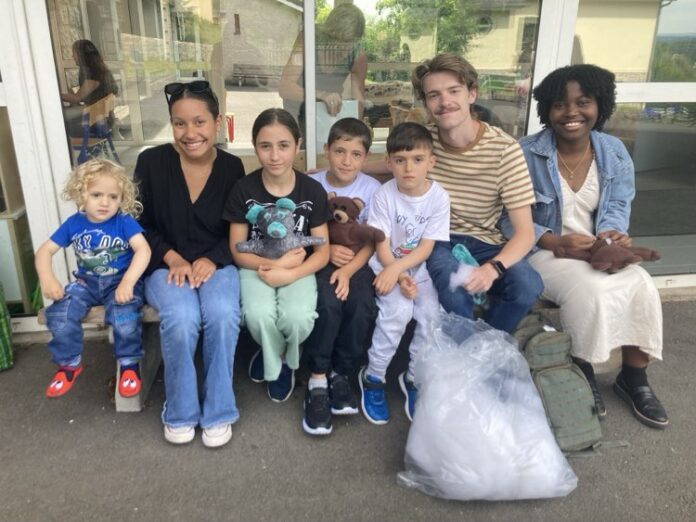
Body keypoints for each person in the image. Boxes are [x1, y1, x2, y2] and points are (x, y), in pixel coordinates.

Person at [505, 64, 668, 428]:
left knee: (641, 283)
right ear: (547, 109)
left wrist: (611, 236)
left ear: (600, 105)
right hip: (543, 252)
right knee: (591, 289)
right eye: (560, 104)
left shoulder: (613, 152)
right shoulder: (524, 153)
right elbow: (505, 218)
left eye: (584, 102)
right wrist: (553, 239)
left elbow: (617, 206)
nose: (572, 112)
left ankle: (634, 377)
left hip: (596, 251)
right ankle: (583, 371)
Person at [135, 80, 245, 448]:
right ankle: (181, 410)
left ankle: (218, 410)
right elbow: (138, 226)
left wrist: (212, 259)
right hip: (164, 264)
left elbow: (238, 230)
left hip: (217, 263)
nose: (190, 133)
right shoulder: (151, 162)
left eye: (199, 122)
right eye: (179, 123)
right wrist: (172, 256)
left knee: (221, 313)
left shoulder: (232, 168)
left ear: (217, 122)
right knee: (181, 317)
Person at [408, 53, 542, 333]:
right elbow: (394, 161)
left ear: (472, 94)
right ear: (426, 103)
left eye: (454, 91)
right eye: (434, 95)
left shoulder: (504, 149)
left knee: (528, 286)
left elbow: (525, 234)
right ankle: (473, 354)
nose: (445, 102)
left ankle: (486, 343)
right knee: (452, 285)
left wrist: (493, 268)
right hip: (439, 237)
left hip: (487, 240)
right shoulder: (424, 141)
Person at [225, 108, 331, 404]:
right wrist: (276, 264)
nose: (275, 156)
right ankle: (278, 358)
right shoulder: (243, 189)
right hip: (255, 265)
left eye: (283, 145)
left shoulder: (312, 190)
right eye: (265, 146)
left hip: (299, 267)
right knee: (259, 316)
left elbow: (323, 250)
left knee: (297, 319)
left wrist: (291, 272)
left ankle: (279, 354)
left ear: (298, 144)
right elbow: (237, 249)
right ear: (255, 146)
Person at [35, 158, 150, 400]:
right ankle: (69, 364)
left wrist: (129, 281)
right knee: (59, 313)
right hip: (86, 283)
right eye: (96, 194)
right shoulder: (74, 224)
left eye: (113, 197)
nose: (105, 202)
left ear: (122, 199)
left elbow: (143, 250)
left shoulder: (123, 222)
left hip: (120, 282)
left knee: (124, 314)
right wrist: (48, 279)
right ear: (81, 194)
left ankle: (129, 364)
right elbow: (44, 251)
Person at [359, 122, 450, 425]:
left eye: (417, 160)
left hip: (418, 266)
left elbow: (426, 247)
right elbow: (381, 243)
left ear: (431, 162)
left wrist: (406, 272)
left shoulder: (439, 197)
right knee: (396, 313)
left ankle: (413, 377)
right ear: (389, 163)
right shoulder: (384, 195)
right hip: (385, 264)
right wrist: (397, 275)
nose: (408, 168)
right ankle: (374, 377)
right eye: (400, 160)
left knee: (430, 315)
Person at [301, 117, 381, 435]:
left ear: (366, 157)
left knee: (362, 305)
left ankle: (343, 374)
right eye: (339, 151)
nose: (347, 161)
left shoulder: (372, 190)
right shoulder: (312, 185)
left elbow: (374, 240)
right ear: (326, 151)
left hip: (358, 263)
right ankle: (318, 378)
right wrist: (328, 251)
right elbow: (302, 232)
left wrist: (348, 269)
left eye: (356, 154)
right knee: (328, 304)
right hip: (319, 259)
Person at [278, 3, 367, 132]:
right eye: (338, 40)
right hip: (295, 116)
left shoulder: (358, 56)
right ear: (329, 33)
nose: (342, 48)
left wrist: (355, 132)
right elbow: (285, 87)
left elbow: (359, 102)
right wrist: (322, 95)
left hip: (329, 119)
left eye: (349, 43)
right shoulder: (308, 38)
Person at [61, 40, 119, 136]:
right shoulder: (98, 70)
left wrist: (56, 94)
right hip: (101, 118)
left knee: (59, 118)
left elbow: (77, 98)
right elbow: (81, 97)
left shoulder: (93, 74)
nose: (72, 56)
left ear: (81, 54)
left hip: (97, 123)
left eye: (74, 53)